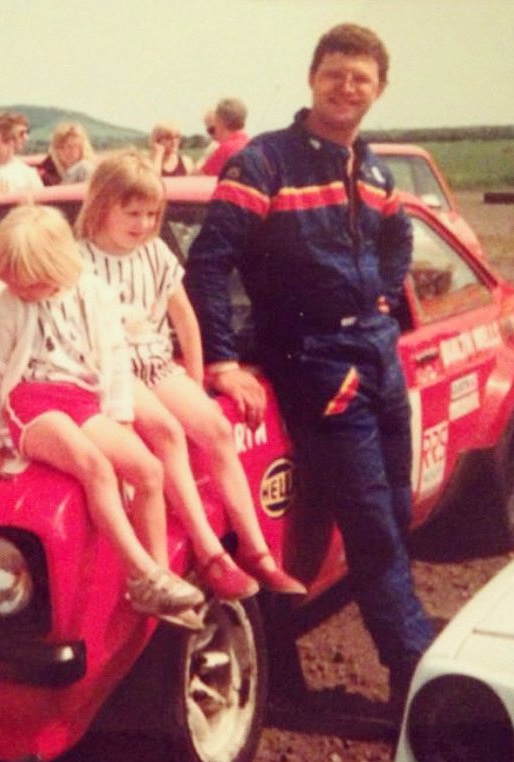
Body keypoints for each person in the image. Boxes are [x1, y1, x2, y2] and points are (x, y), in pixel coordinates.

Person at [184, 23, 436, 702]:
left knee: (397, 516)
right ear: (311, 78)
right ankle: (418, 679)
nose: (345, 88)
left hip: (378, 353)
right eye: (334, 74)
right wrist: (221, 359)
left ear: (377, 90)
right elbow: (208, 263)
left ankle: (379, 647)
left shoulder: (375, 169)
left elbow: (398, 233)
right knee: (374, 529)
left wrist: (382, 294)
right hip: (315, 360)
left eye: (360, 78)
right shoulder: (264, 162)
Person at [76, 151, 305, 600]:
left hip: (158, 364)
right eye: (132, 212)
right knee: (166, 432)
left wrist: (197, 379)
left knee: (216, 427)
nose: (143, 224)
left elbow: (183, 316)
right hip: (111, 370)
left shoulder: (155, 252)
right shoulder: (78, 259)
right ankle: (210, 552)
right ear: (103, 204)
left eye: (150, 214)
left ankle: (258, 552)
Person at [0, 203, 207, 630]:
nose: (23, 291)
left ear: (59, 268)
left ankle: (160, 581)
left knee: (149, 470)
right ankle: (143, 573)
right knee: (94, 466)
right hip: (31, 404)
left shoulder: (95, 293)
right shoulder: (7, 308)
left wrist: (120, 415)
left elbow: (116, 358)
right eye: (16, 282)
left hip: (84, 399)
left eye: (35, 283)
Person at [195, 98, 249, 177]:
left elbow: (198, 178)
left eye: (212, 129)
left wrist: (204, 157)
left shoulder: (225, 149)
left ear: (219, 121)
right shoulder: (252, 144)